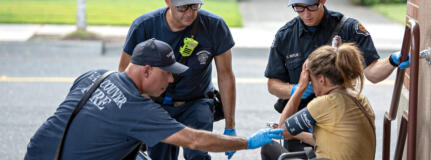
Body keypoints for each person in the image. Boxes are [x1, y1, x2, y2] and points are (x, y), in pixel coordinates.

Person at [25, 39, 284, 160]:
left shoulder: (95, 76)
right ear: (147, 70)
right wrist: (248, 141)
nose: (171, 81)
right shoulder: (137, 109)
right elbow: (194, 139)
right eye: (168, 74)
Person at [264, 0, 410, 153]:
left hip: (339, 117)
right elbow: (272, 84)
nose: (306, 14)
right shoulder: (285, 35)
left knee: (270, 148)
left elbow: (372, 73)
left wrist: (392, 60)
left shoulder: (348, 28)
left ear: (323, 1)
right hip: (302, 119)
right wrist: (295, 90)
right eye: (299, 8)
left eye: (311, 7)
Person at [117, 0, 237, 159]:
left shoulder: (214, 26)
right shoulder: (144, 25)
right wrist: (141, 112)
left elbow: (226, 75)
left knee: (198, 156)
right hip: (157, 104)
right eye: (182, 7)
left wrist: (230, 126)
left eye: (195, 6)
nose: (189, 13)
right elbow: (125, 73)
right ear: (168, 2)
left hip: (197, 101)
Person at [262, 43, 376, 160]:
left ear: (322, 80)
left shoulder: (325, 103)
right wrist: (297, 134)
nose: (309, 84)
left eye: (310, 79)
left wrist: (300, 88)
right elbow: (331, 141)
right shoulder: (360, 98)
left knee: (268, 147)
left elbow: (282, 131)